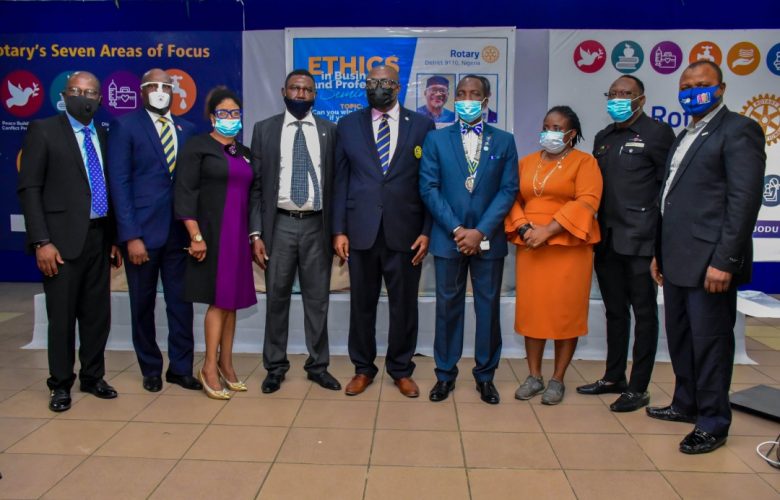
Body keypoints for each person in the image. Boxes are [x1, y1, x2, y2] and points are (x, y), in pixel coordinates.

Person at [647, 61, 765, 454]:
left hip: (710, 262)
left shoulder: (739, 130)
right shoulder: (685, 135)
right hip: (676, 259)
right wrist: (659, 253)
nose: (692, 91)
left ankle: (713, 422)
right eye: (686, 86)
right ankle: (686, 403)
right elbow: (670, 201)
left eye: (702, 84)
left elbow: (743, 201)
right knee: (681, 338)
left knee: (711, 343)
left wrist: (725, 261)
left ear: (721, 88)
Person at [17, 71, 122, 412]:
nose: (83, 98)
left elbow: (108, 188)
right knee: (62, 318)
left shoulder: (103, 135)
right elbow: (30, 189)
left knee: (96, 316)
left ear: (100, 100)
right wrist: (41, 241)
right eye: (76, 91)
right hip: (59, 243)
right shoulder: (44, 130)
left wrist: (113, 238)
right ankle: (60, 384)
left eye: (90, 93)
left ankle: (93, 377)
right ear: (64, 95)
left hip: (99, 237)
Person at [332, 65, 435, 398]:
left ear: (398, 86)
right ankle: (363, 368)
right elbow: (340, 180)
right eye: (372, 82)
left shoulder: (422, 125)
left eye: (385, 82)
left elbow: (429, 182)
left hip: (406, 231)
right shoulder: (348, 125)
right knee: (361, 305)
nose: (378, 87)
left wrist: (427, 230)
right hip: (360, 231)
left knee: (404, 306)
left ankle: (401, 369)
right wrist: (339, 230)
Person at [576, 75, 675, 412]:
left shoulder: (658, 134)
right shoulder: (604, 137)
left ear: (641, 99)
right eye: (614, 93)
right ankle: (613, 376)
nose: (618, 99)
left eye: (626, 94)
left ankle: (638, 387)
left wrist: (660, 244)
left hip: (641, 240)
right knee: (615, 312)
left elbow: (667, 190)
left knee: (644, 314)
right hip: (606, 240)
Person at [420, 74, 518, 404]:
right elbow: (429, 188)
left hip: (487, 239)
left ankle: (485, 377)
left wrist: (480, 231)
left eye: (474, 94)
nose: (466, 99)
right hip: (449, 238)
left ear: (486, 100)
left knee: (487, 309)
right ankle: (445, 375)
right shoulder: (436, 139)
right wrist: (458, 230)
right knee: (447, 307)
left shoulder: (504, 141)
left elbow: (508, 190)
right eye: (461, 94)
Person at [108, 68, 201, 393]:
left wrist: (195, 232)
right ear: (142, 90)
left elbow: (190, 183)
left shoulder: (187, 129)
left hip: (179, 234)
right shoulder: (125, 126)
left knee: (181, 305)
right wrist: (130, 236)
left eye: (166, 86)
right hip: (142, 236)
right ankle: (150, 368)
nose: (161, 91)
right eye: (153, 86)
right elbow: (119, 184)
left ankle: (181, 368)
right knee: (142, 305)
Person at [249, 69, 341, 394]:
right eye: (295, 88)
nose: (300, 94)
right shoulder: (264, 130)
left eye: (306, 90)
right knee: (277, 299)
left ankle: (318, 366)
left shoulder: (330, 131)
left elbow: (338, 185)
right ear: (283, 91)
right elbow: (256, 187)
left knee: (318, 301)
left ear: (314, 95)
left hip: (318, 225)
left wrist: (338, 231)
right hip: (280, 225)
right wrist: (256, 234)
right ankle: (275, 367)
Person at [506, 105, 602, 405]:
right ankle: (534, 376)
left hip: (568, 247)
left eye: (557, 128)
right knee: (532, 311)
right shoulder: (526, 162)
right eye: (546, 126)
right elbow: (511, 198)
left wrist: (547, 230)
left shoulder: (585, 163)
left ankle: (557, 379)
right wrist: (525, 229)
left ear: (571, 134)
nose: (550, 132)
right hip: (531, 246)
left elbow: (588, 201)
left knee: (565, 312)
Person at [174, 87, 257, 400]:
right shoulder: (198, 147)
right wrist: (195, 236)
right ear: (212, 117)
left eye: (235, 113)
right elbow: (185, 192)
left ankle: (226, 363)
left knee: (232, 302)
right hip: (211, 234)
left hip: (239, 235)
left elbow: (253, 194)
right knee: (219, 300)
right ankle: (208, 367)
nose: (230, 118)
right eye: (224, 113)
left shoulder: (243, 151)